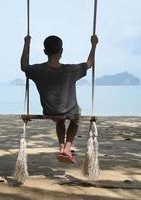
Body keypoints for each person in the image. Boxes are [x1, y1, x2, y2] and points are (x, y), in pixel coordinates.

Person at [20, 34, 98, 164]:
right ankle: (67, 148)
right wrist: (94, 45)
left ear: (45, 52)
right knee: (74, 120)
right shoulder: (71, 70)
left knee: (60, 120)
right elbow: (89, 63)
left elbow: (23, 66)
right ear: (61, 51)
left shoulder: (38, 70)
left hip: (50, 112)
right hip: (71, 112)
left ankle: (61, 147)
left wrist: (26, 44)